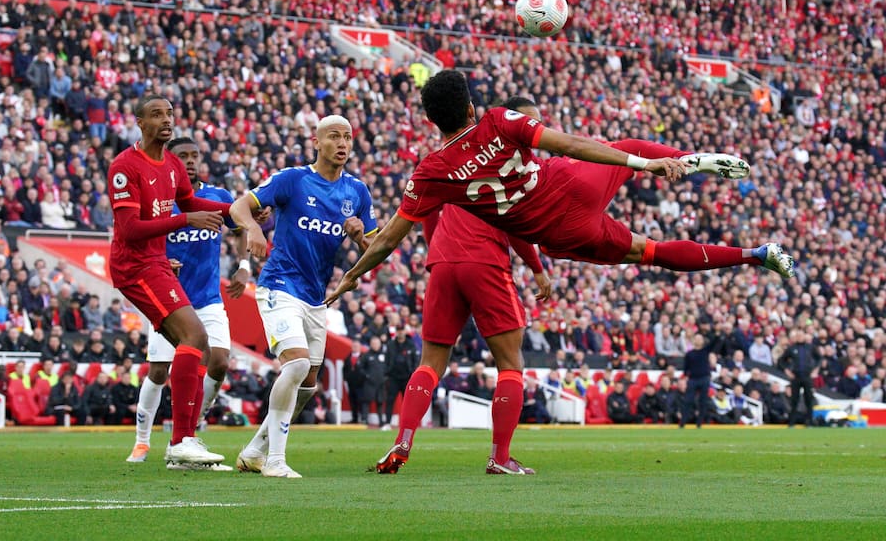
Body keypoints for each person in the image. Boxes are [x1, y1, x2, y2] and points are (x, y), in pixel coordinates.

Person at [328, 70, 794, 308]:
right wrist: (644, 165)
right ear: (470, 106)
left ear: (431, 120)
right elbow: (570, 143)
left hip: (563, 231)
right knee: (627, 143)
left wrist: (352, 276)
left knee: (651, 252)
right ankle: (680, 158)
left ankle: (755, 254)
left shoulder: (430, 174)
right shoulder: (497, 119)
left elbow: (388, 240)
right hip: (569, 180)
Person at [229, 114, 377, 478]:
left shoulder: (356, 192)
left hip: (315, 296)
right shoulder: (293, 180)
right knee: (294, 365)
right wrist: (254, 230)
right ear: (316, 141)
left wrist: (360, 238)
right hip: (280, 284)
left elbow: (377, 247)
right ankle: (275, 461)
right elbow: (238, 207)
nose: (342, 143)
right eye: (333, 137)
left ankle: (254, 450)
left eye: (347, 137)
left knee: (308, 384)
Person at [106, 95, 235, 468]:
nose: (166, 120)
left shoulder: (173, 164)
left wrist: (238, 211)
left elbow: (191, 202)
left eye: (170, 114)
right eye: (156, 115)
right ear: (139, 123)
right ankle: (177, 441)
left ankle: (185, 446)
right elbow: (129, 230)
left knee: (197, 346)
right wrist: (183, 221)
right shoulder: (125, 166)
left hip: (158, 264)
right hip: (135, 268)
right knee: (192, 340)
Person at [375, 202, 549, 476]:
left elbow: (429, 211)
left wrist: (440, 249)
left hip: (442, 261)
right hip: (485, 258)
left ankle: (403, 441)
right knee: (510, 364)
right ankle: (500, 458)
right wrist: (537, 267)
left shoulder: (444, 162)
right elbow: (514, 221)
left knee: (430, 363)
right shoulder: (501, 163)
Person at [127, 137, 249, 470]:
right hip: (169, 300)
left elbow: (241, 228)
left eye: (195, 155)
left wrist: (243, 266)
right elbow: (139, 238)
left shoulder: (218, 197)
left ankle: (189, 433)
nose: (190, 161)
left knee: (219, 362)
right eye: (183, 156)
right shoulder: (160, 202)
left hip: (208, 298)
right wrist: (162, 261)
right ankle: (141, 440)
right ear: (171, 160)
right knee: (158, 371)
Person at [778, 329, 818, 427]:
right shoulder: (792, 348)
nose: (800, 337)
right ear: (795, 337)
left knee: (808, 399)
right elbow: (781, 360)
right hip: (796, 377)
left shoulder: (810, 348)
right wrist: (787, 370)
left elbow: (819, 358)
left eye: (801, 335)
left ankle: (810, 422)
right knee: (794, 400)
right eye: (798, 336)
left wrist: (816, 370)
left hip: (807, 377)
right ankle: (792, 423)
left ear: (804, 337)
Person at [680, 333, 713, 428]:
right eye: (696, 339)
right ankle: (683, 422)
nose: (698, 340)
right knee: (688, 401)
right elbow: (686, 368)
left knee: (703, 402)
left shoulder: (705, 351)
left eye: (700, 339)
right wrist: (686, 377)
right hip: (693, 379)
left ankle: (699, 423)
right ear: (693, 341)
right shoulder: (689, 354)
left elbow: (714, 342)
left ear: (703, 341)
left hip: (704, 378)